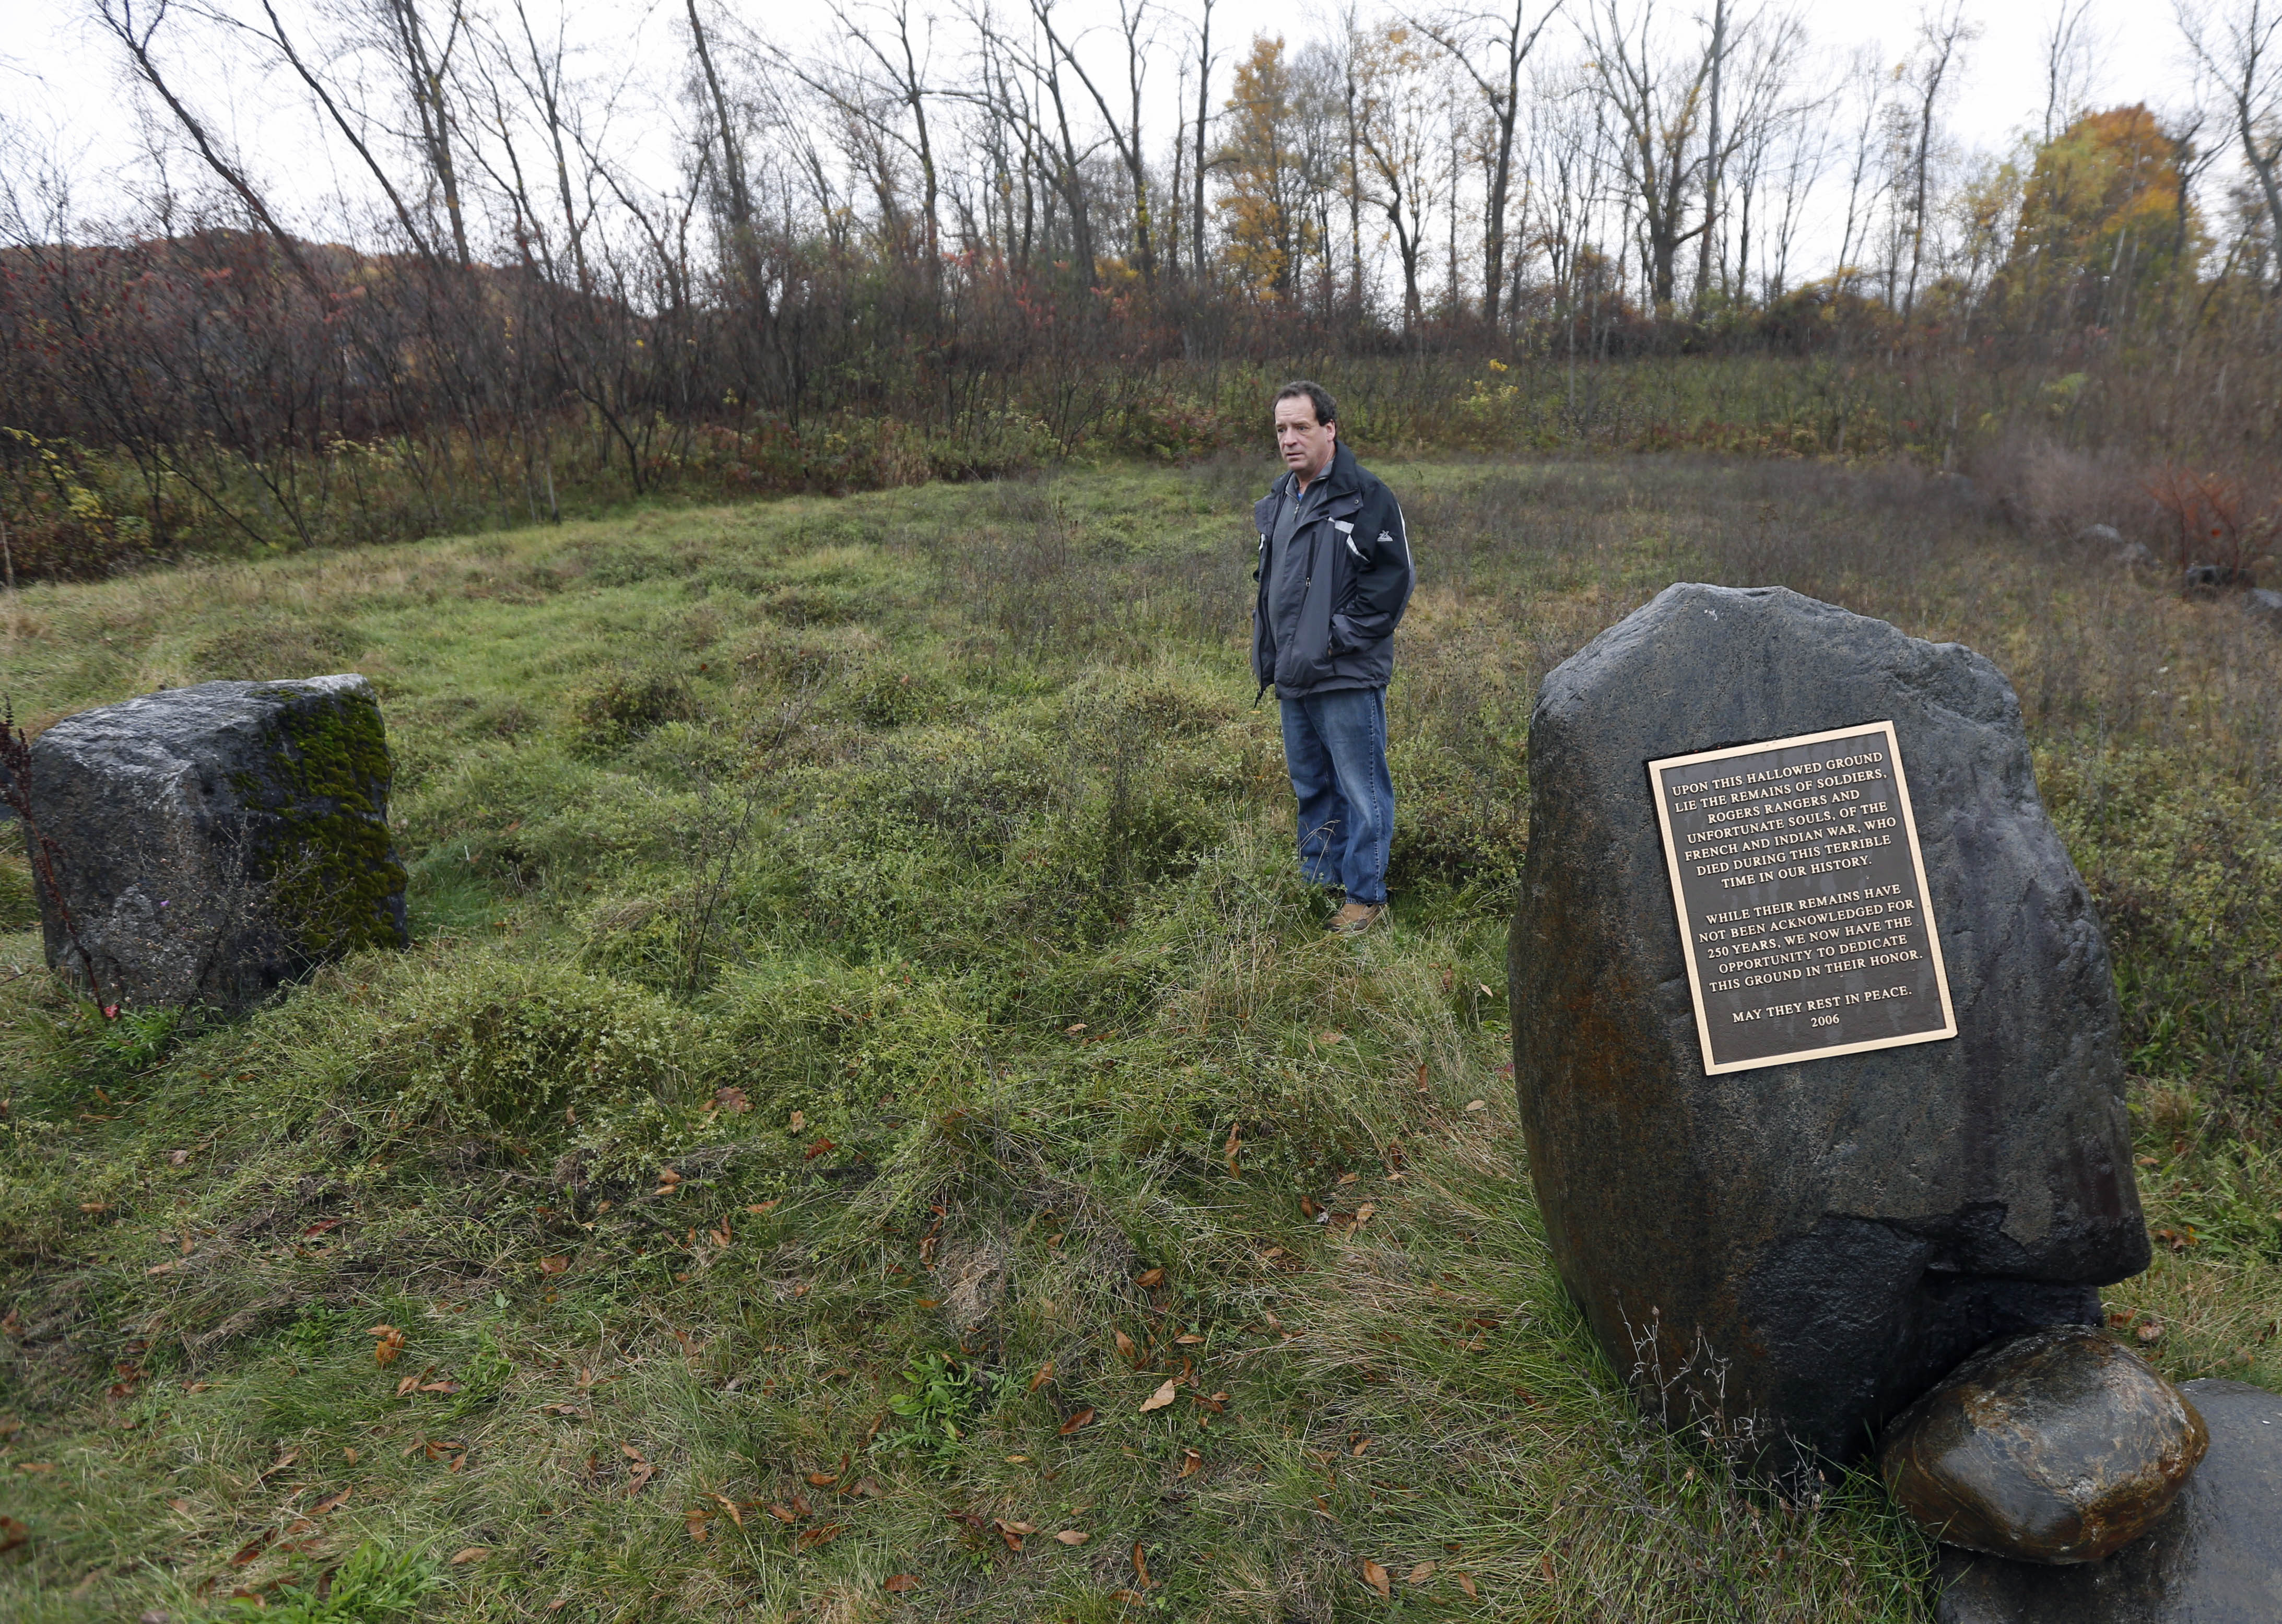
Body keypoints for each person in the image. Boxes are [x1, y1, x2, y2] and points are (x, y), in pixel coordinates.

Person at [1250, 381, 1415, 934]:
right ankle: (1318, 877)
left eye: (1300, 427)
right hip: (1293, 674)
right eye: (1280, 429)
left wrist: (1329, 639)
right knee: (1311, 785)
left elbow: (1391, 584)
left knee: (1360, 788)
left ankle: (1364, 895)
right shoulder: (1280, 498)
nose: (1289, 439)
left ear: (1329, 429)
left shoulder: (1366, 497)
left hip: (1343, 672)